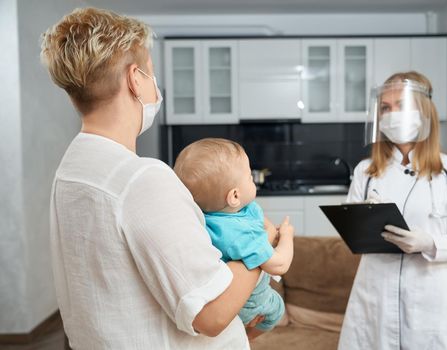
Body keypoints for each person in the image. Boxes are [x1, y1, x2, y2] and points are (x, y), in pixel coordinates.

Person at [41, 8, 263, 349]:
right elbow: (211, 313)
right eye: (151, 73)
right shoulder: (142, 179)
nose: (154, 84)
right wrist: (262, 250)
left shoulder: (71, 169)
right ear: (135, 79)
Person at [338, 71, 447, 349]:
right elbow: (353, 229)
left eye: (401, 105)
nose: (392, 114)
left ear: (424, 111)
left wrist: (430, 242)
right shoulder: (365, 172)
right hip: (374, 294)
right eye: (386, 108)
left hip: (429, 296)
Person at [174, 138, 294, 340]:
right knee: (276, 309)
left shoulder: (209, 216)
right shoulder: (240, 236)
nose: (253, 180)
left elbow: (259, 222)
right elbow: (280, 264)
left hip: (222, 294)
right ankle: (247, 339)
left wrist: (268, 232)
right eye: (249, 177)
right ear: (234, 196)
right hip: (246, 301)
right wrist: (287, 236)